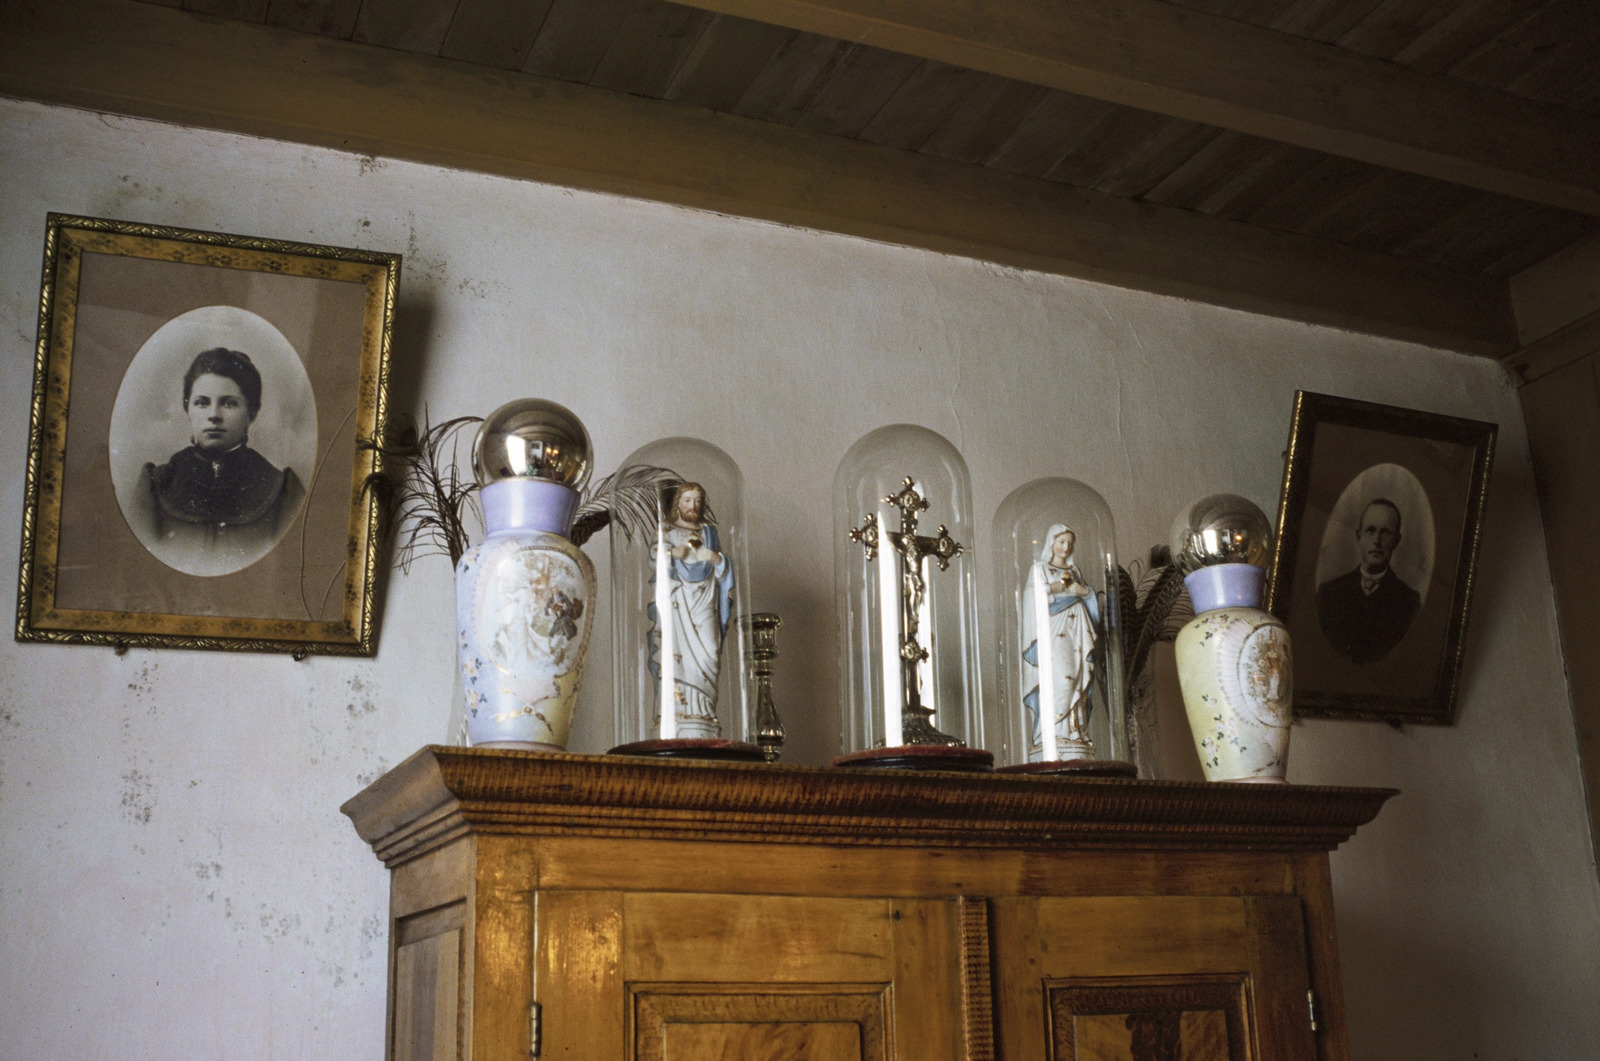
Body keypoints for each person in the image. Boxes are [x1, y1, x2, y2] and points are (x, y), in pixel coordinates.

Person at [132, 347, 304, 562]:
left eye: (229, 403)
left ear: (251, 414)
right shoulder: (156, 484)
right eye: (202, 403)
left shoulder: (282, 490)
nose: (214, 415)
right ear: (188, 410)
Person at [647, 482, 735, 738]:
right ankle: (678, 712)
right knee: (676, 654)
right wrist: (671, 552)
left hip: (705, 602)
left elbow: (725, 573)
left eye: (697, 501)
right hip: (677, 604)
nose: (692, 506)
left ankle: (704, 711)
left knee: (710, 650)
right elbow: (654, 559)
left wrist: (717, 560)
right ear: (678, 503)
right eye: (687, 500)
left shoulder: (709, 533)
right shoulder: (666, 531)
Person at [1020, 524, 1099, 760]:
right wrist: (1054, 588)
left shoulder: (1075, 570)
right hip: (1054, 631)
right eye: (1062, 542)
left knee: (1078, 678)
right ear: (1051, 542)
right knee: (1061, 679)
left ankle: (1075, 732)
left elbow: (1088, 598)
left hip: (1078, 630)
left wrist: (1084, 592)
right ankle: (1050, 732)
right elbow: (1031, 597)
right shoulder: (1040, 568)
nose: (1066, 547)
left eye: (1070, 543)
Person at [1316, 498, 1421, 664]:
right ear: (1359, 536)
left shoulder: (1409, 602)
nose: (1377, 541)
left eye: (1386, 532)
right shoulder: (1329, 593)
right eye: (1370, 531)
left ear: (1396, 540)